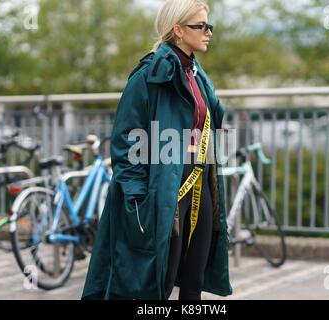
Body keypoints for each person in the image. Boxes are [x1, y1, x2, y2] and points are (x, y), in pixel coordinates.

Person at [82, 0, 232, 300]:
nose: (208, 32)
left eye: (209, 25)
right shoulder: (149, 75)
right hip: (160, 192)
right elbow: (126, 142)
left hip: (200, 185)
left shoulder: (196, 74)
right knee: (156, 283)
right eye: (200, 26)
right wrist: (138, 198)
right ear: (177, 30)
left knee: (193, 280)